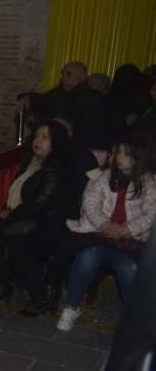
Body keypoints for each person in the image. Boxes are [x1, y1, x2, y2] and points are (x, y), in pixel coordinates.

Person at [55, 137, 156, 331]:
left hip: (130, 242)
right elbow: (89, 203)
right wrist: (104, 224)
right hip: (100, 237)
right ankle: (71, 306)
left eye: (125, 154)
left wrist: (128, 229)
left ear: (137, 157)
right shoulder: (103, 177)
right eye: (117, 152)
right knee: (87, 257)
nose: (119, 158)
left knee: (129, 269)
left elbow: (151, 214)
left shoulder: (150, 182)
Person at [0, 120, 74, 306]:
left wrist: (10, 216)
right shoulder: (34, 162)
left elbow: (40, 203)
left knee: (17, 248)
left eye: (45, 138)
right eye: (37, 136)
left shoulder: (54, 168)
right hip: (27, 218)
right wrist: (8, 209)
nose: (37, 141)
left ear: (56, 143)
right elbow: (20, 191)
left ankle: (40, 295)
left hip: (46, 224)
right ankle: (2, 284)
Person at [20, 61, 106, 152]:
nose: (63, 78)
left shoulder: (83, 97)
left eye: (68, 75)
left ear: (81, 78)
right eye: (63, 74)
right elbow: (45, 101)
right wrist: (28, 97)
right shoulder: (63, 94)